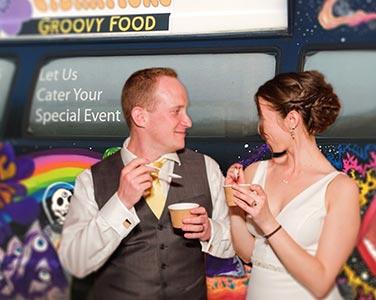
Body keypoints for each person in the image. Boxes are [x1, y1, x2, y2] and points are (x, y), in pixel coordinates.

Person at [58, 67, 234, 300]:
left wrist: (209, 231)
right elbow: (75, 263)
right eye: (176, 111)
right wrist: (120, 203)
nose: (188, 121)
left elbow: (235, 245)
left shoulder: (207, 168)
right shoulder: (91, 180)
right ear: (140, 117)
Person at [225, 70, 360, 299]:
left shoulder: (340, 189)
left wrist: (268, 222)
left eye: (264, 118)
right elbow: (248, 254)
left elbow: (320, 282)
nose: (261, 129)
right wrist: (234, 201)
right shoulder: (255, 172)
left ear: (292, 120)